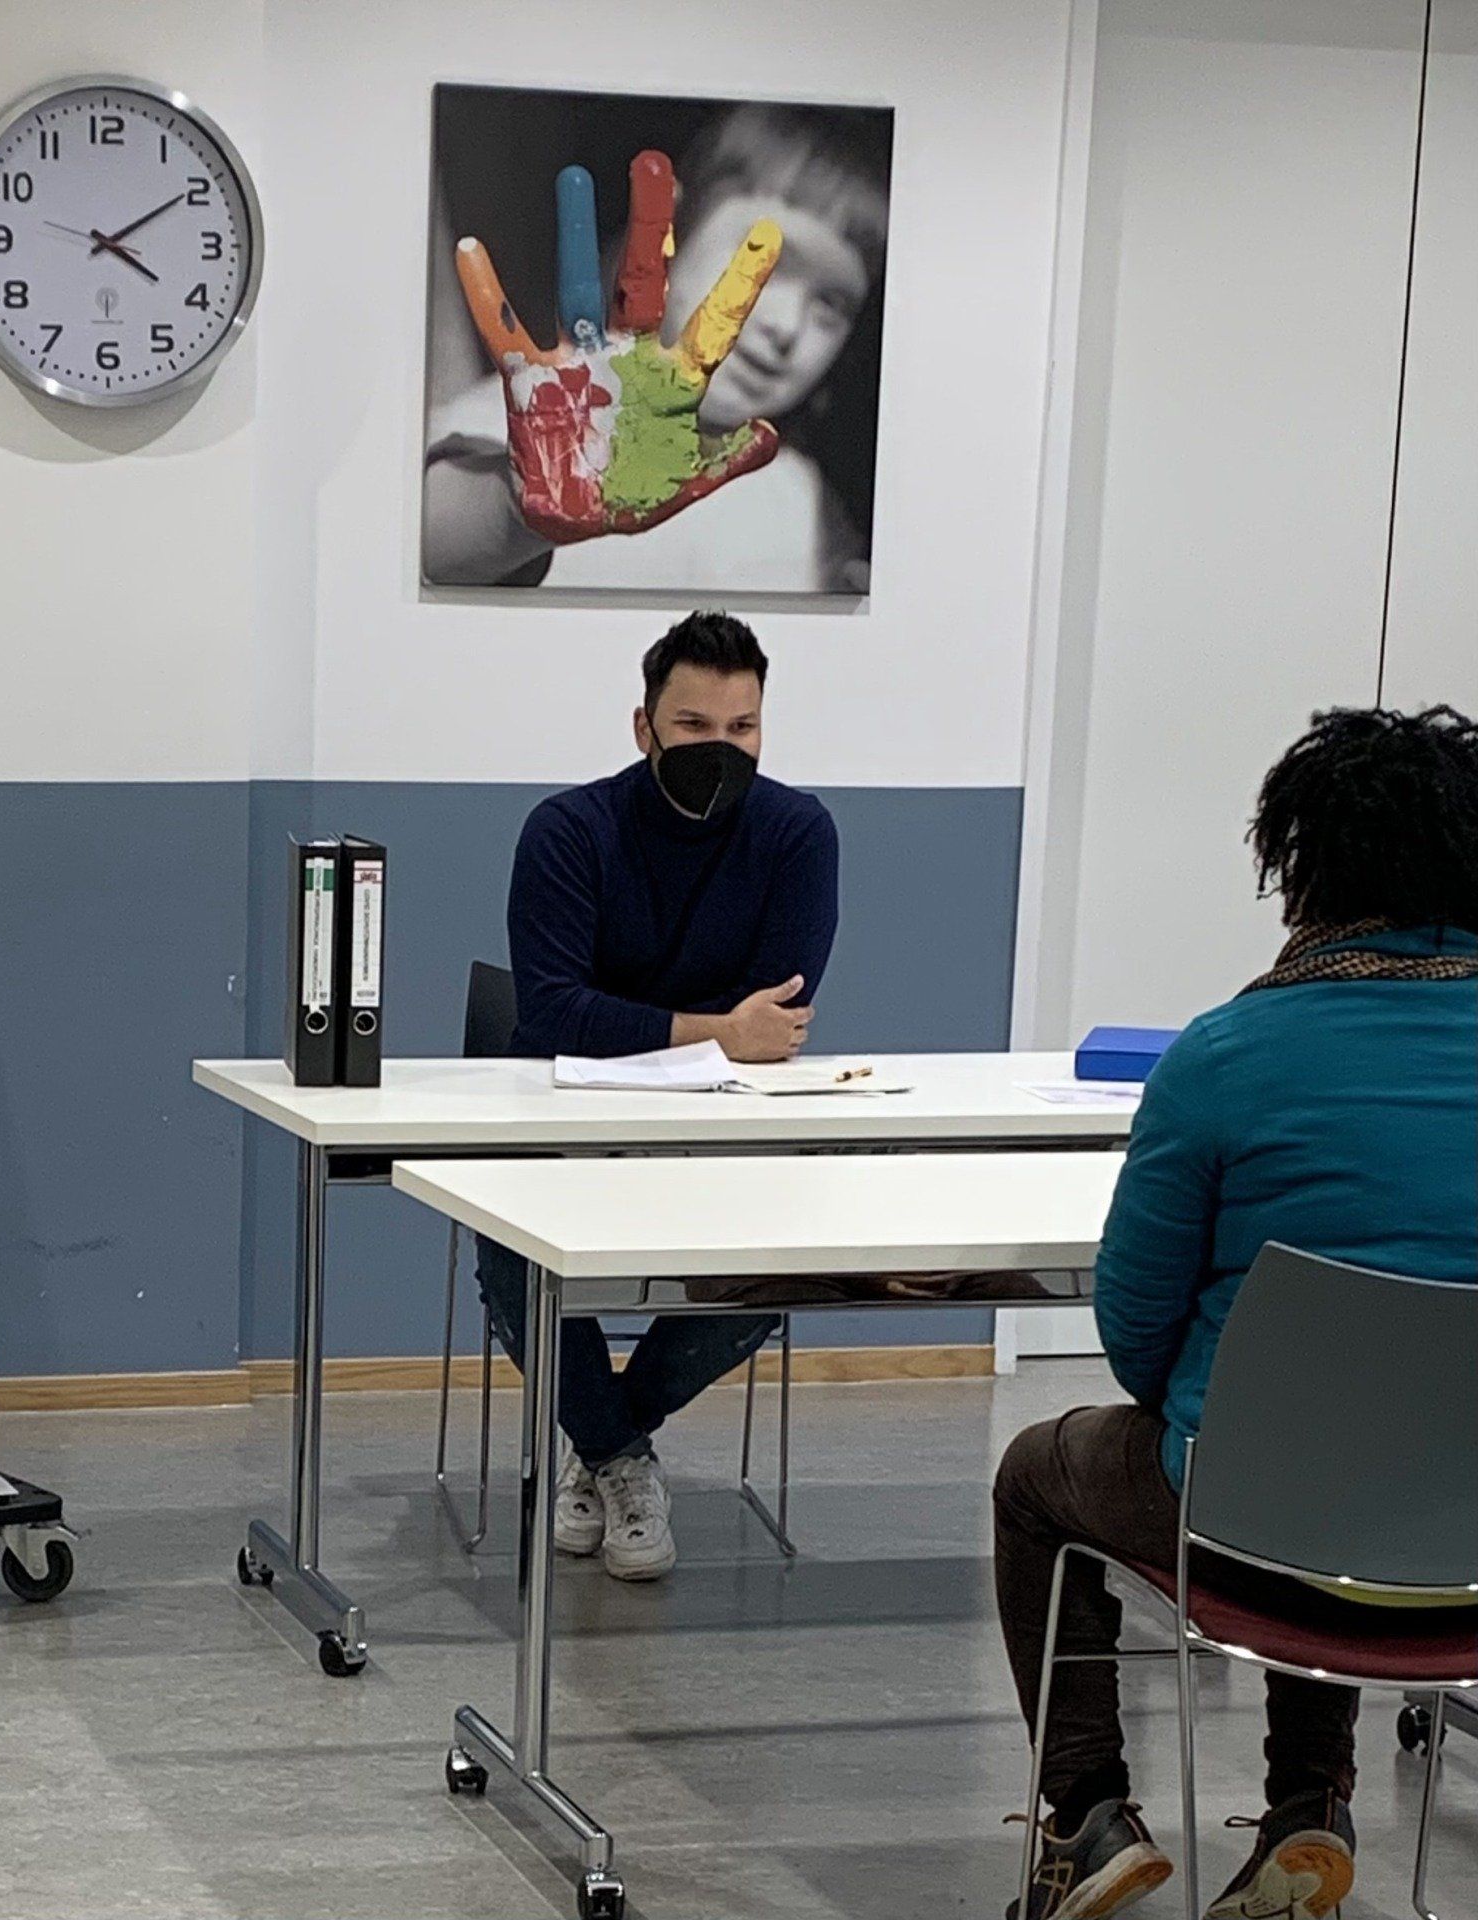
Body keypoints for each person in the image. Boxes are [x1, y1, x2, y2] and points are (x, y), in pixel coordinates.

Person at [992, 706, 1478, 1920]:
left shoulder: (1224, 1056)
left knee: (1040, 1476)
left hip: (1255, 1522)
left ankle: (1087, 1819)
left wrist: (1236, 1411)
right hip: (1462, 1539)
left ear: (1300, 869)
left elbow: (1134, 1328)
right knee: (1345, 1463)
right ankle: (1310, 1811)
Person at [477, 611, 839, 1580]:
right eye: (694, 727)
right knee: (509, 1253)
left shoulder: (797, 832)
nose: (721, 749)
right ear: (644, 728)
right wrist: (717, 1030)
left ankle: (604, 1446)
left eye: (742, 729)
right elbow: (553, 1010)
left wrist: (703, 1034)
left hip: (719, 1124)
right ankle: (622, 1458)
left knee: (782, 1261)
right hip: (559, 1116)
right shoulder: (569, 829)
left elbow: (778, 1018)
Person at [424, 103, 890, 593]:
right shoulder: (538, 419)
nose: (788, 325)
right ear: (672, 230)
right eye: (764, 261)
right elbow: (417, 546)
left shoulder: (809, 507)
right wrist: (517, 505)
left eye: (831, 305)